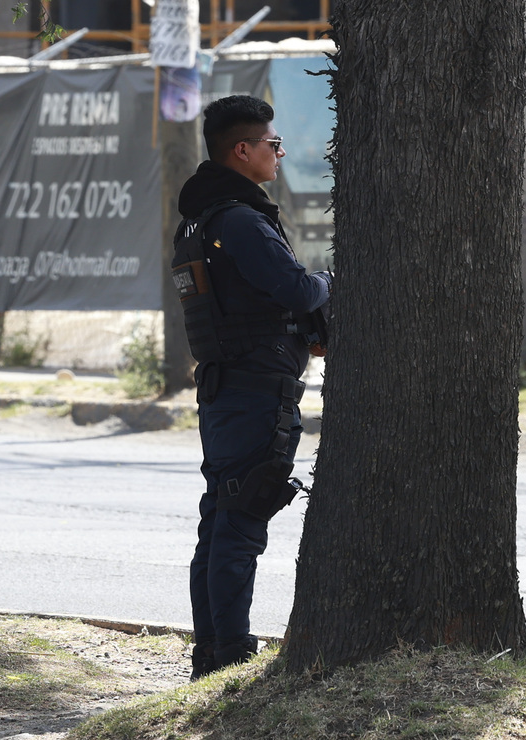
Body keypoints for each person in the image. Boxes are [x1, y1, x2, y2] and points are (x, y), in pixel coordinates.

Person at [174, 95, 331, 678]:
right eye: (272, 144)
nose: (280, 153)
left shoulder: (202, 218)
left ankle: (212, 652)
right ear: (242, 150)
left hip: (228, 385)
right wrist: (331, 283)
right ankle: (230, 655)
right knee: (239, 520)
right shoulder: (239, 219)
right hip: (255, 389)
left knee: (221, 519)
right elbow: (294, 289)